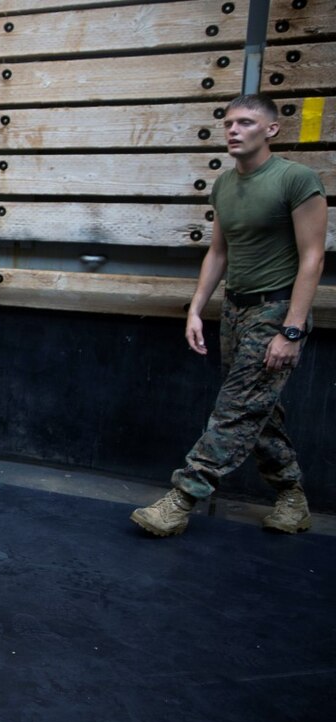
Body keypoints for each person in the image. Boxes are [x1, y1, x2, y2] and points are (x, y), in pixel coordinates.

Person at [131, 94, 327, 537]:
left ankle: (182, 499)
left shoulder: (296, 180)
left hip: (277, 310)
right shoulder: (224, 185)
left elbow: (313, 258)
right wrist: (196, 310)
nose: (234, 130)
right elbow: (218, 252)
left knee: (235, 410)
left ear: (271, 129)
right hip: (237, 310)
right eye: (228, 123)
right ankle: (292, 496)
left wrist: (291, 330)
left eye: (245, 123)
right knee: (257, 408)